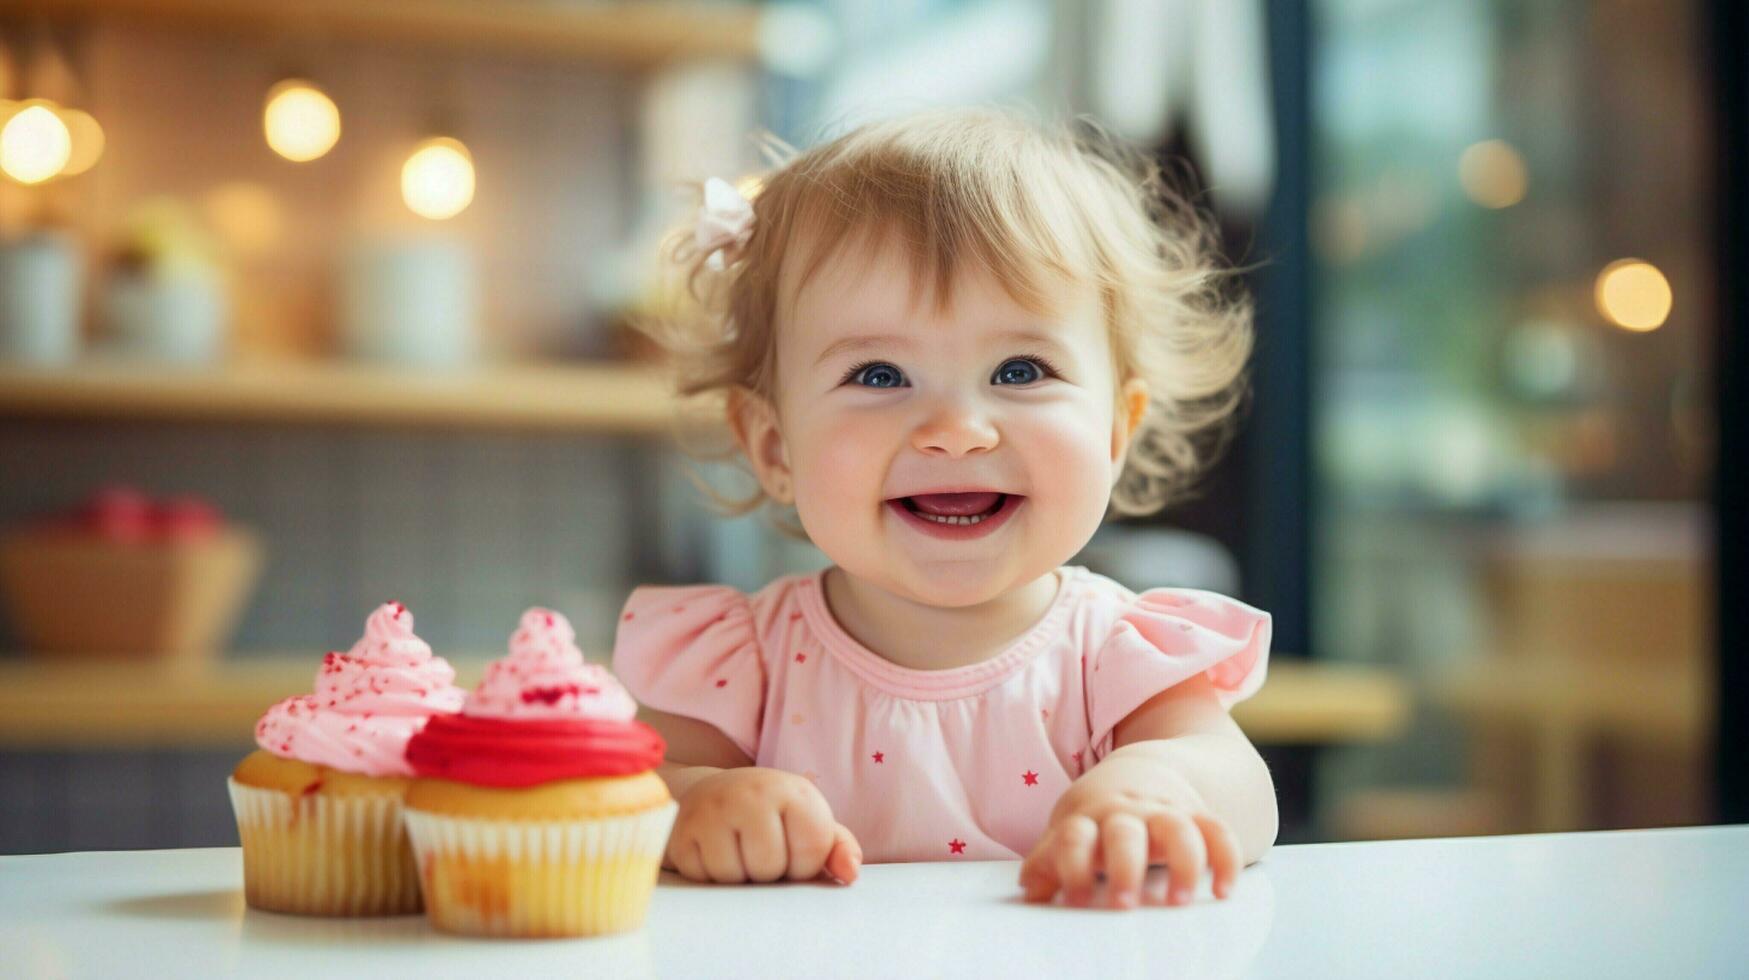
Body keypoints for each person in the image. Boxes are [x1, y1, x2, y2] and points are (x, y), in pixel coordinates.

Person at [613, 107, 1275, 910]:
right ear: (774, 447)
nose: (956, 432)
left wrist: (1154, 787)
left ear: (1113, 431)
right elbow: (627, 792)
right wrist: (695, 804)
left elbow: (1240, 787)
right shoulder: (742, 661)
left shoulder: (1114, 659)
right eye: (880, 376)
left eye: (1020, 369)